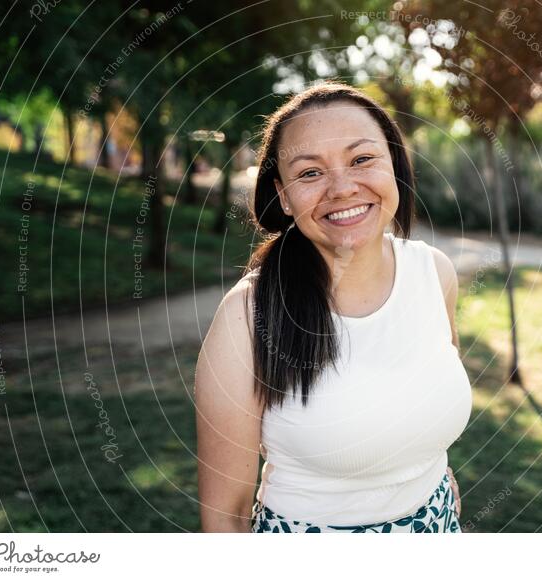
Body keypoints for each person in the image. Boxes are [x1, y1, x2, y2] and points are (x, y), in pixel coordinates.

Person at [195, 81, 472, 533]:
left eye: (362, 159)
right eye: (310, 173)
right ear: (284, 196)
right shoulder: (246, 316)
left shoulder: (435, 274)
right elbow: (225, 519)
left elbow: (419, 403)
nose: (342, 188)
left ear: (395, 167)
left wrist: (432, 478)